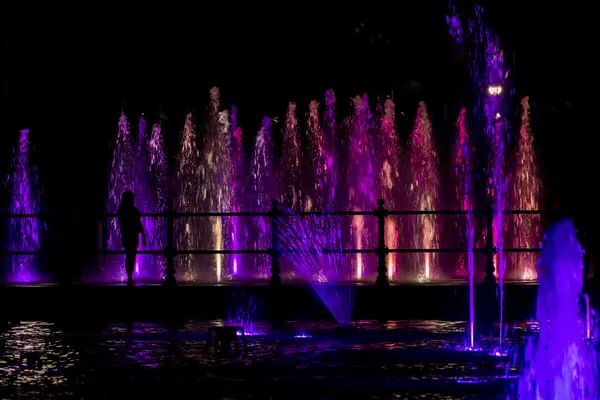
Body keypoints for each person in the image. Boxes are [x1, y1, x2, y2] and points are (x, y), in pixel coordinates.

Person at [117, 190, 146, 285]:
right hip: (133, 235)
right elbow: (139, 224)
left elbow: (124, 224)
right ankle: (130, 277)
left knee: (129, 256)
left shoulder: (121, 210)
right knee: (132, 256)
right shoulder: (134, 211)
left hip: (127, 235)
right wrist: (143, 236)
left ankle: (129, 277)